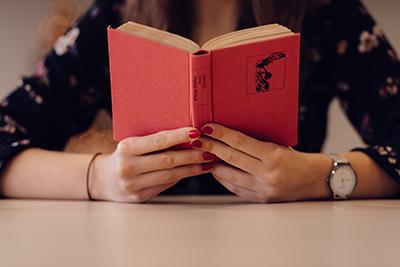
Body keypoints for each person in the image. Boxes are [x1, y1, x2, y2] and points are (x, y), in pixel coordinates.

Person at [0, 0, 399, 203]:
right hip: (151, 250)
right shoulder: (118, 15)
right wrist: (100, 178)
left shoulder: (327, 12)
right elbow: (5, 137)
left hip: (284, 245)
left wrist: (318, 176)